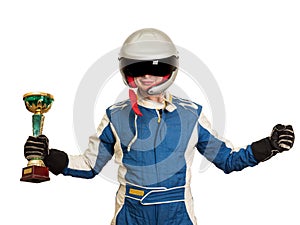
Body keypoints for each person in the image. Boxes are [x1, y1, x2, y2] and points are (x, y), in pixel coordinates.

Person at [24, 28, 295, 225]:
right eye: (138, 70)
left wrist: (268, 146)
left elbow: (228, 159)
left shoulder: (192, 115)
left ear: (170, 70)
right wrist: (49, 157)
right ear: (127, 72)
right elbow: (90, 165)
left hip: (178, 213)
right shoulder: (115, 116)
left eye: (156, 70)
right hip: (131, 213)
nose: (147, 78)